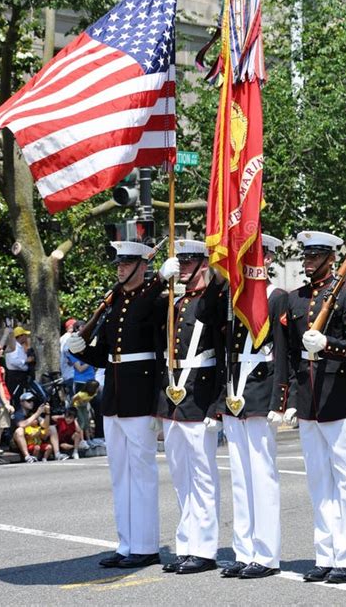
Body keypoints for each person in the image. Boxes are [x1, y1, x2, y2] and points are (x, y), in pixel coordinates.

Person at [67, 240, 179, 569]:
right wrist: (80, 349)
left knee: (141, 472)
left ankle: (145, 546)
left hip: (140, 394)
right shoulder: (116, 299)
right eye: (118, 263)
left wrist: (161, 278)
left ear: (142, 266)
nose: (119, 268)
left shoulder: (154, 297)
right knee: (120, 473)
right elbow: (105, 354)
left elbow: (156, 313)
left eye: (126, 263)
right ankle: (126, 543)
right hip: (115, 395)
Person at [285, 230, 346, 585]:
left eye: (315, 255)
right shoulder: (298, 298)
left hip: (337, 397)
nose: (308, 261)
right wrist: (291, 398)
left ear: (330, 258)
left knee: (344, 481)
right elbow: (293, 354)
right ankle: (325, 555)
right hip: (309, 399)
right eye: (306, 255)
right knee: (318, 481)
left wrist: (327, 343)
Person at [219, 234, 289, 580]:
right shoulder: (233, 297)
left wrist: (280, 399)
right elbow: (224, 353)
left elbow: (282, 353)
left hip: (261, 389)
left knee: (262, 475)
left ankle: (266, 553)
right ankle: (244, 550)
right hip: (236, 391)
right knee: (240, 478)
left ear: (269, 260)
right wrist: (221, 400)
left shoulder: (277, 298)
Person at [156, 239, 225, 575]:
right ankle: (186, 545)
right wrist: (158, 280)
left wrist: (216, 403)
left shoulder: (212, 300)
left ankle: (205, 548)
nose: (182, 268)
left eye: (188, 263)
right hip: (173, 397)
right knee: (181, 476)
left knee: (203, 476)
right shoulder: (174, 302)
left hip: (200, 394)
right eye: (180, 263)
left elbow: (222, 353)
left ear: (202, 264)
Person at [12, 392, 69, 462]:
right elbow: (22, 424)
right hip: (19, 442)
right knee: (19, 430)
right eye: (29, 401)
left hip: (34, 441)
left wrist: (47, 413)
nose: (31, 403)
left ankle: (57, 454)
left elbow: (44, 425)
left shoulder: (33, 413)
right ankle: (27, 456)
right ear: (22, 402)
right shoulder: (18, 413)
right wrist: (37, 413)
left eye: (32, 401)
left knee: (52, 428)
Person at [4, 326, 35, 397]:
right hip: (15, 376)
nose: (26, 337)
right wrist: (25, 361)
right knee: (16, 396)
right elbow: (13, 361)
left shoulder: (18, 347)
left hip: (20, 376)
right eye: (25, 335)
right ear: (20, 336)